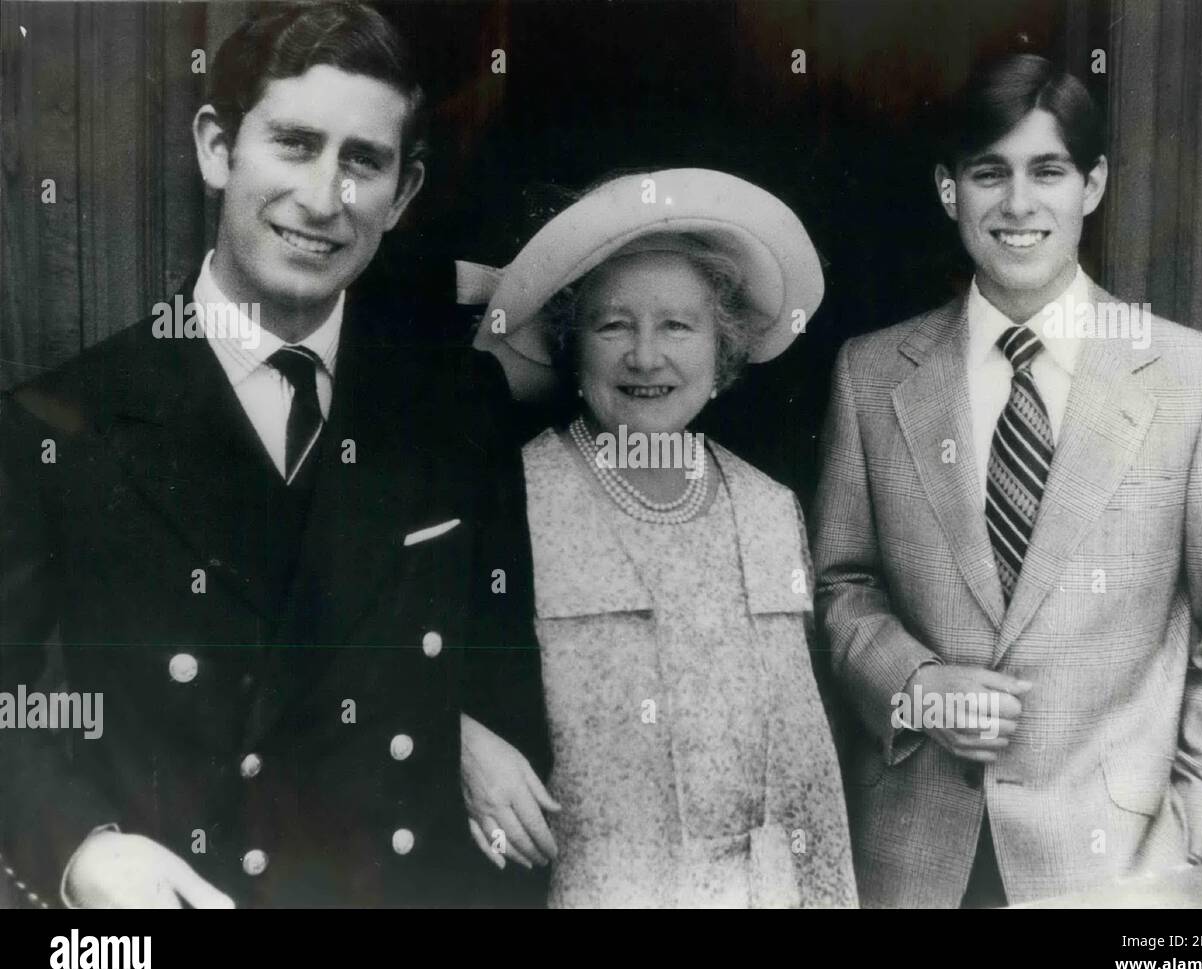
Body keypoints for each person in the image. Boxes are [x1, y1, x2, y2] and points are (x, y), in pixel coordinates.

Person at [0, 2, 548, 908]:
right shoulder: (61, 424)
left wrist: (448, 724)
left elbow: (502, 690)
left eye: (363, 161)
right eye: (294, 144)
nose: (325, 197)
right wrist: (82, 852)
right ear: (218, 148)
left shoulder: (454, 408)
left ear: (402, 194)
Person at [811, 53, 1202, 908]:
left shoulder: (1194, 377)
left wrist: (1178, 851)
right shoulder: (871, 373)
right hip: (912, 861)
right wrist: (915, 685)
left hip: (1116, 867)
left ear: (1094, 184)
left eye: (1049, 171)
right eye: (988, 173)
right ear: (948, 189)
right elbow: (841, 584)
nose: (1019, 205)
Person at [456, 168, 856, 907]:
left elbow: (810, 783)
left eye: (677, 325)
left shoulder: (771, 509)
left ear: (722, 349)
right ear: (574, 349)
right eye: (614, 324)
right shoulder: (513, 499)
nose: (646, 355)